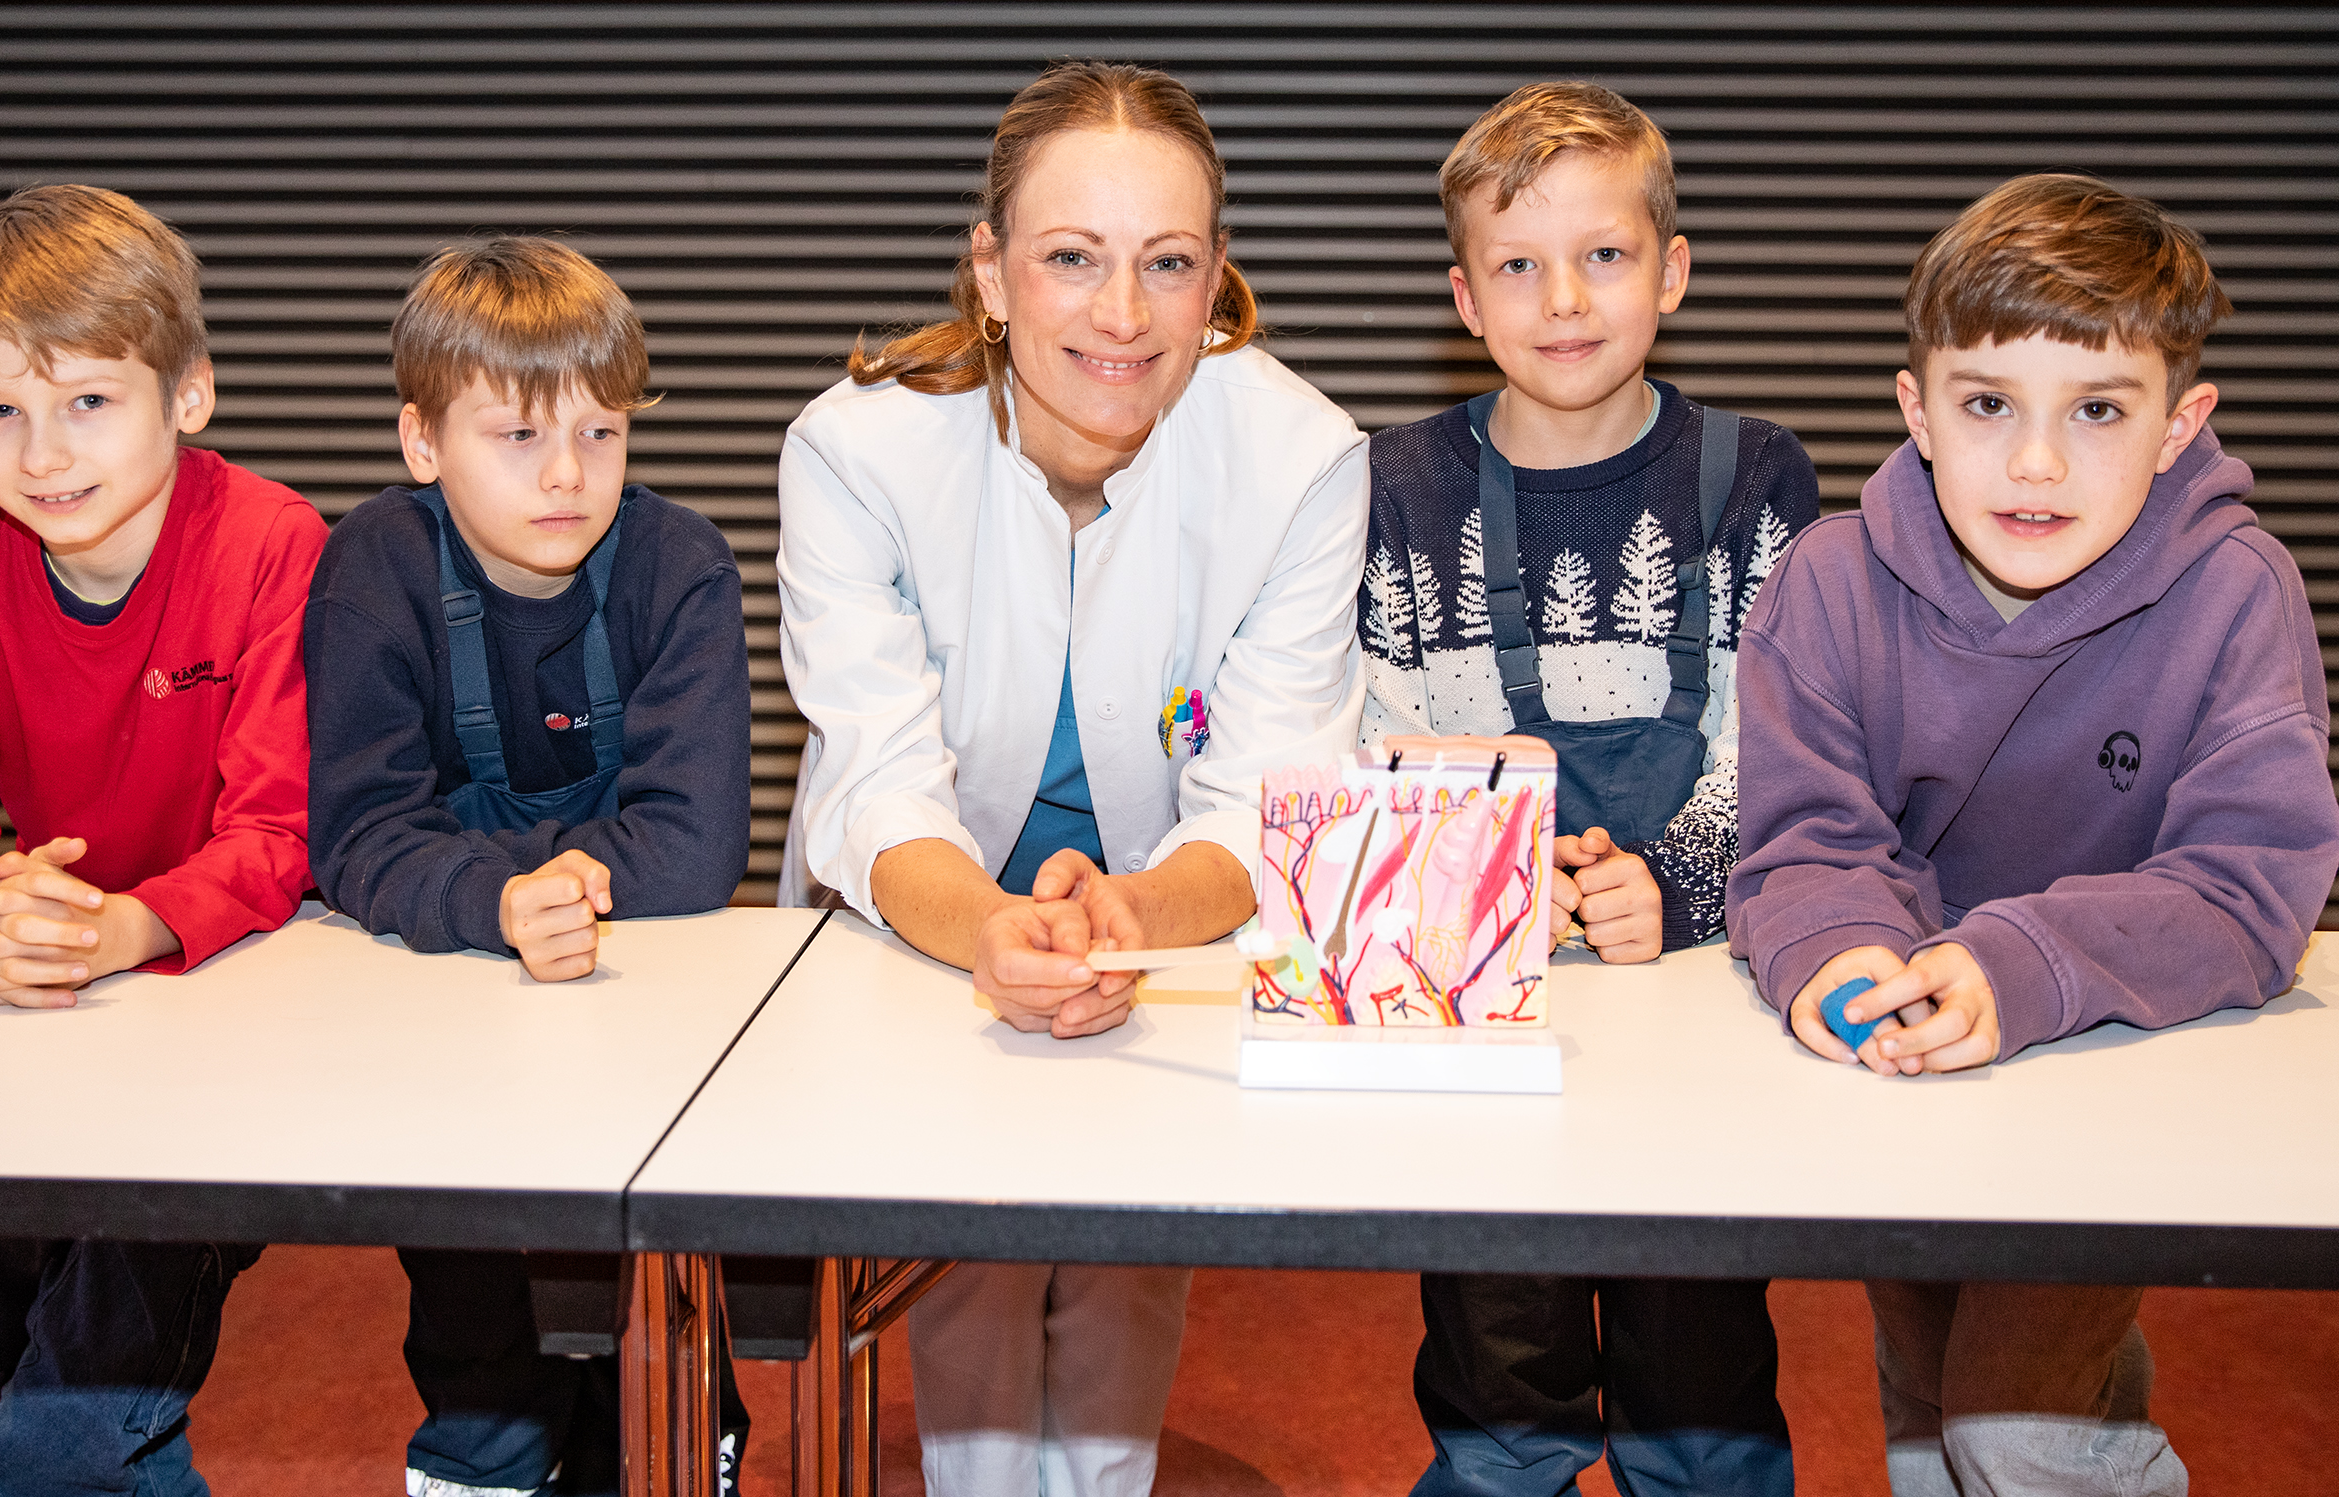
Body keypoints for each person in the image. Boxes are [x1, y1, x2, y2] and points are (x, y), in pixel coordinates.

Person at [776, 60, 1368, 1497]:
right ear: (990, 271)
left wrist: (1133, 920)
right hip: (923, 920)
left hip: (1170, 922)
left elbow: (1267, 796)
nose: (1122, 315)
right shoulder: (856, 452)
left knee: (1126, 1257)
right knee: (963, 1261)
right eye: (1070, 259)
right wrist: (993, 930)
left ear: (1216, 275)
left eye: (1166, 262)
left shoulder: (1300, 458)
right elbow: (879, 783)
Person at [1727, 174, 2339, 1496]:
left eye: (2097, 410)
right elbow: (1805, 840)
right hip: (1914, 1056)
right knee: (1927, 1396)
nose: (2037, 463)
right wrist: (1837, 952)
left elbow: (2246, 891)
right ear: (1917, 412)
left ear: (2179, 426)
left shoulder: (2237, 595)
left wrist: (2011, 965)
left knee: (2012, 1428)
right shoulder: (1826, 583)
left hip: (2127, 1059)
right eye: (1988, 405)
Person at [1360, 82, 1816, 1497]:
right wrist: (1502, 893)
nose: (1563, 299)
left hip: (1695, 1007)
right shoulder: (1392, 487)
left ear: (1670, 270)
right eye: (1517, 264)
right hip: (1481, 1018)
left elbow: (1790, 746)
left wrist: (1669, 886)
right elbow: (1370, 731)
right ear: (1464, 297)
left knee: (1704, 1403)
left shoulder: (1756, 476)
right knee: (1501, 1399)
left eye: (1603, 255)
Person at [0, 183, 323, 1495]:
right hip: (43, 1002)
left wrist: (127, 924)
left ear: (189, 394)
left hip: (233, 990)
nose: (41, 454)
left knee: (61, 1417)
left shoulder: (273, 545)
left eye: (87, 401)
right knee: (50, 1354)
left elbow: (281, 830)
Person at [303, 237, 753, 1496]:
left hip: (643, 1013)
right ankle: (482, 1452)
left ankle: (669, 1453)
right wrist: (501, 903)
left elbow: (696, 847)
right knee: (474, 1323)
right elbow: (352, 836)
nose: (567, 473)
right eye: (516, 436)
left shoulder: (679, 566)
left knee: (655, 1333)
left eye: (600, 433)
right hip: (439, 1019)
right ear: (422, 442)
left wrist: (484, 875)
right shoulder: (371, 569)